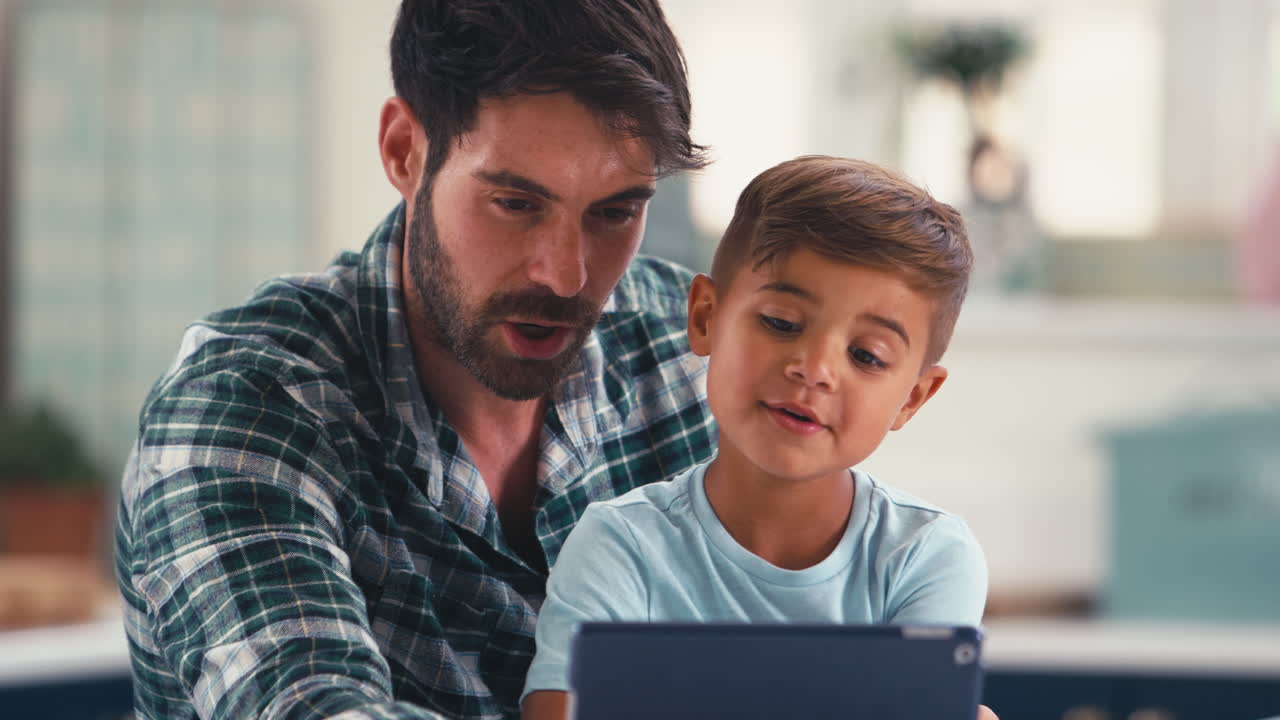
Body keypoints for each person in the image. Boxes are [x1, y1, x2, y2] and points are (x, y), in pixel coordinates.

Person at [113, 2, 715, 718]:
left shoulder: (692, 359)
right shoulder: (243, 405)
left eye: (614, 213)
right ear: (405, 151)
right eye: (516, 203)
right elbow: (312, 706)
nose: (565, 275)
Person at [522, 156, 989, 720]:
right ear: (705, 318)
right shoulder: (618, 545)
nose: (814, 368)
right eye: (782, 324)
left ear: (912, 398)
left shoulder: (925, 558)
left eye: (866, 355)